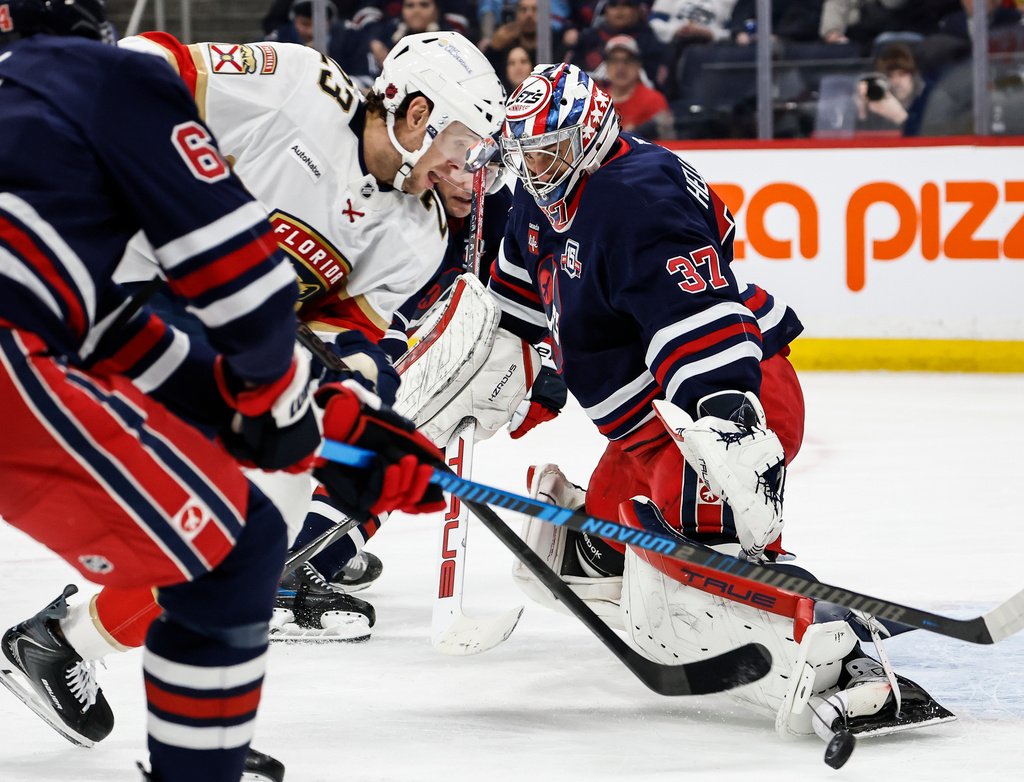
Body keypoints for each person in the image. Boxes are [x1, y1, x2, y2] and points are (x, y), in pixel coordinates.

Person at [1, 23, 503, 756]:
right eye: (463, 150)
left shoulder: (419, 233)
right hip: (116, 298)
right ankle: (195, 740)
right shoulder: (298, 83)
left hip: (225, 356)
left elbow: (349, 336)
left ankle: (66, 646)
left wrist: (356, 402)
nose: (467, 174)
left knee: (263, 524)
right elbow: (151, 67)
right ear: (418, 114)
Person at [492, 62, 954, 752]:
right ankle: (605, 544)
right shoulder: (540, 197)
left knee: (706, 523)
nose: (535, 169)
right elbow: (514, 312)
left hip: (732, 393)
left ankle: (834, 643)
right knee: (621, 531)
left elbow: (699, 323)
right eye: (525, 153)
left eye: (549, 151)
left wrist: (726, 419)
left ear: (589, 135)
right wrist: (489, 389)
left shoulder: (637, 197)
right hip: (646, 423)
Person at [602, 35, 675, 139]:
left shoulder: (654, 100)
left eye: (627, 60)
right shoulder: (596, 102)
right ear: (606, 66)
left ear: (638, 65)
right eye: (614, 60)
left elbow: (666, 142)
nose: (621, 67)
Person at [264, 0, 340, 45]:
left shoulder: (346, 40)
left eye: (320, 24)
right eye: (305, 24)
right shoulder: (276, 41)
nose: (311, 32)